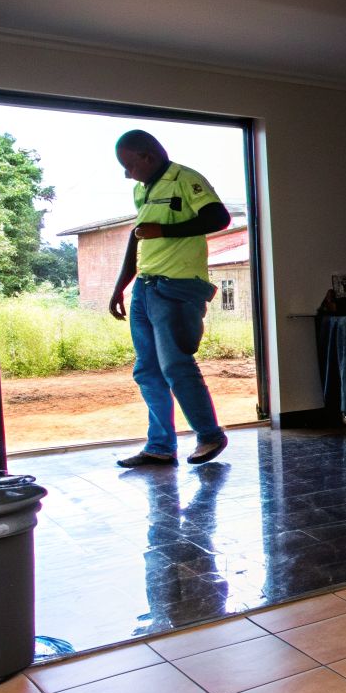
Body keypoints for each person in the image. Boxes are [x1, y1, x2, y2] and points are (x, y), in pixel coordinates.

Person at [107, 130, 231, 467]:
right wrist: (121, 286)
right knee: (147, 370)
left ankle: (209, 435)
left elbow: (219, 218)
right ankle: (160, 446)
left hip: (177, 287)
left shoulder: (184, 179)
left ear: (148, 157)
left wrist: (165, 231)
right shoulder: (141, 190)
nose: (127, 173)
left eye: (129, 165)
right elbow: (138, 239)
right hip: (145, 289)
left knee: (175, 364)